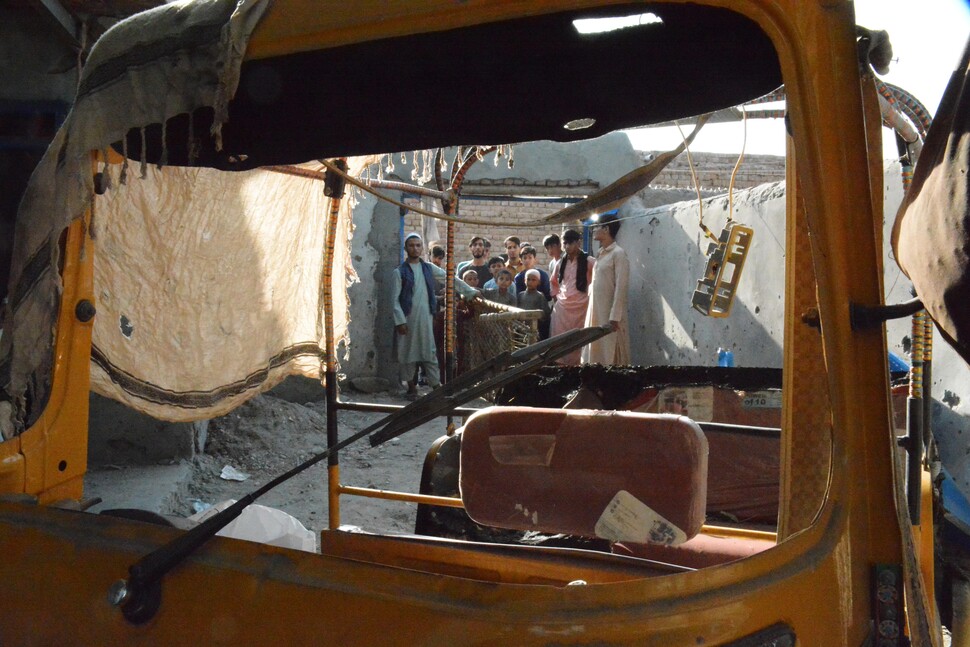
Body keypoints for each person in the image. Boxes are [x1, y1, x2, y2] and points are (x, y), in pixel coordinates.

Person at [391, 233, 477, 396]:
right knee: (407, 354)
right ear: (406, 248)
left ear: (422, 248)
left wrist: (470, 292)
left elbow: (450, 278)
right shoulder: (399, 272)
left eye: (418, 245)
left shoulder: (428, 268)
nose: (415, 248)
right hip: (407, 319)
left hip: (426, 318)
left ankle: (436, 387)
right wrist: (400, 321)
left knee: (429, 352)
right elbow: (394, 300)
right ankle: (411, 387)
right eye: (411, 245)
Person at [582, 214, 630, 365]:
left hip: (610, 314)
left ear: (606, 229)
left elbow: (621, 286)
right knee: (595, 347)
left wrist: (615, 316)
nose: (593, 230)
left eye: (596, 227)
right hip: (596, 309)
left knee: (611, 350)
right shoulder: (601, 253)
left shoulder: (618, 254)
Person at [550, 228, 594, 365]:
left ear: (579, 243)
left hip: (582, 307)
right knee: (559, 339)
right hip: (563, 308)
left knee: (580, 339)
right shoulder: (560, 262)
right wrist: (557, 298)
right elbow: (554, 283)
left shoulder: (590, 261)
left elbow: (596, 283)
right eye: (565, 243)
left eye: (571, 243)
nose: (568, 247)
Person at [517, 269, 552, 340]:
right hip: (522, 327)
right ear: (524, 280)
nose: (530, 282)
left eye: (533, 280)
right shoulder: (520, 295)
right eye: (528, 279)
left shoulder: (540, 296)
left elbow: (545, 314)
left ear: (538, 282)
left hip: (535, 328)